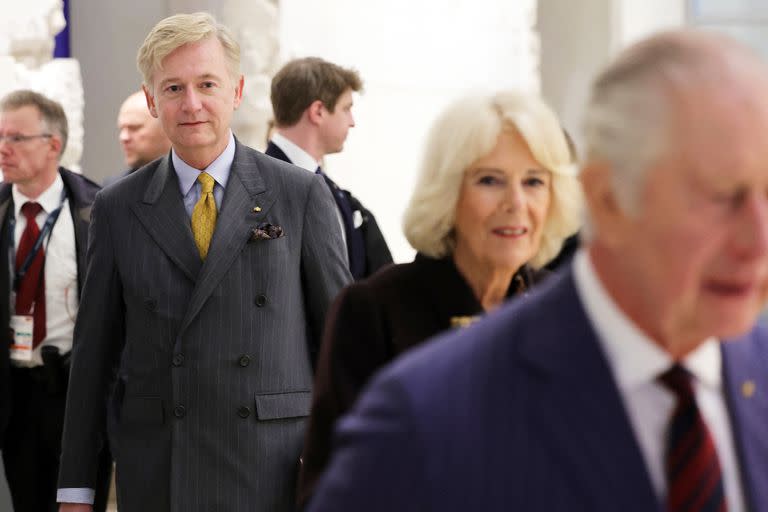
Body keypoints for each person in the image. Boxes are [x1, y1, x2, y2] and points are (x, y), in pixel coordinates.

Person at [308, 30, 768, 512]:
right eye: (718, 196)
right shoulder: (421, 408)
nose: (758, 242)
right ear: (607, 200)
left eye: (534, 182)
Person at [56, 12, 351, 512]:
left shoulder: (299, 194)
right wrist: (77, 490)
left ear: (235, 91)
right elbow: (93, 361)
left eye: (206, 84)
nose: (191, 104)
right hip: (162, 469)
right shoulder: (117, 207)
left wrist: (350, 468)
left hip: (273, 467)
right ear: (151, 100)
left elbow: (343, 346)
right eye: (173, 88)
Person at [297, 89, 581, 506]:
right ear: (448, 193)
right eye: (490, 180)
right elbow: (332, 493)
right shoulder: (374, 311)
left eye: (534, 181)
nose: (516, 203)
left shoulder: (568, 314)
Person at [0, 90, 111, 512]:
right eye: (0, 136)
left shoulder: (95, 210)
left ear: (53, 145)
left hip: (77, 393)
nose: (3, 148)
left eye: (16, 138)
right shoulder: (2, 210)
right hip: (16, 393)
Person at [266, 57, 392, 280]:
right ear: (318, 112)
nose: (352, 121)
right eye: (346, 108)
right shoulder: (258, 186)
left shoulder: (333, 192)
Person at [104, 91, 171, 186]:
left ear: (166, 128)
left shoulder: (195, 182)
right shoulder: (113, 190)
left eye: (134, 128)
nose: (124, 137)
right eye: (122, 129)